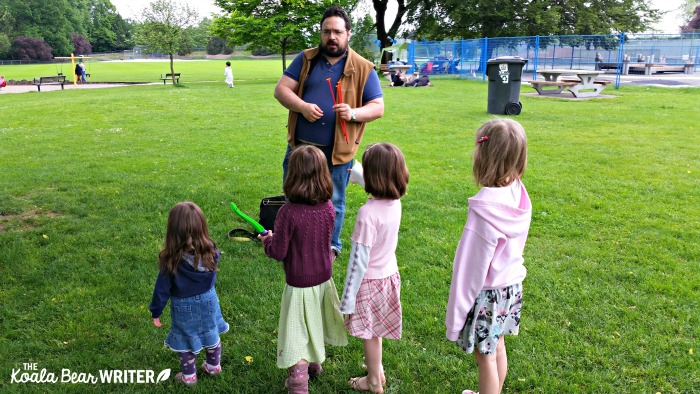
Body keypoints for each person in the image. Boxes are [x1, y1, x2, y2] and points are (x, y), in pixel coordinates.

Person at [274, 5, 384, 259]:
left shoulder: (363, 67)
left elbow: (377, 107)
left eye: (337, 32)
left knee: (334, 201)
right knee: (294, 195)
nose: (331, 37)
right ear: (321, 33)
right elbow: (281, 90)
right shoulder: (306, 59)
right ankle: (294, 242)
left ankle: (330, 247)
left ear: (348, 34)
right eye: (326, 32)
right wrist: (301, 106)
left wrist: (353, 113)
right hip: (300, 148)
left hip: (337, 152)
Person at [445, 119, 532, 394]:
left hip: (488, 296)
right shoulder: (518, 192)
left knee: (485, 357)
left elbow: (469, 272)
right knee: (497, 345)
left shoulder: (483, 213)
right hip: (511, 288)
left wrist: (455, 319)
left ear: (482, 157)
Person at [258, 145, 348, 394]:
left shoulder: (287, 213)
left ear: (292, 177)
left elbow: (279, 252)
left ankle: (299, 381)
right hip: (323, 277)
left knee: (297, 329)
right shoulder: (329, 208)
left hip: (299, 282)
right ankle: (314, 364)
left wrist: (268, 241)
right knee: (314, 319)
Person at [339, 142, 409, 393]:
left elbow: (358, 261)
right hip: (388, 277)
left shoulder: (367, 214)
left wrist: (347, 301)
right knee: (376, 330)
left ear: (373, 178)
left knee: (369, 334)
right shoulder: (395, 203)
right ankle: (376, 369)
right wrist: (361, 177)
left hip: (368, 283)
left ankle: (373, 382)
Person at [149, 201, 229, 387]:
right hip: (209, 301)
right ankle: (213, 366)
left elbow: (161, 289)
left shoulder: (171, 260)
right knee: (212, 332)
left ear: (173, 231)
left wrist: (156, 311)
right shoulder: (212, 252)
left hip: (184, 306)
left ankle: (189, 377)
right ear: (202, 227)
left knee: (186, 339)